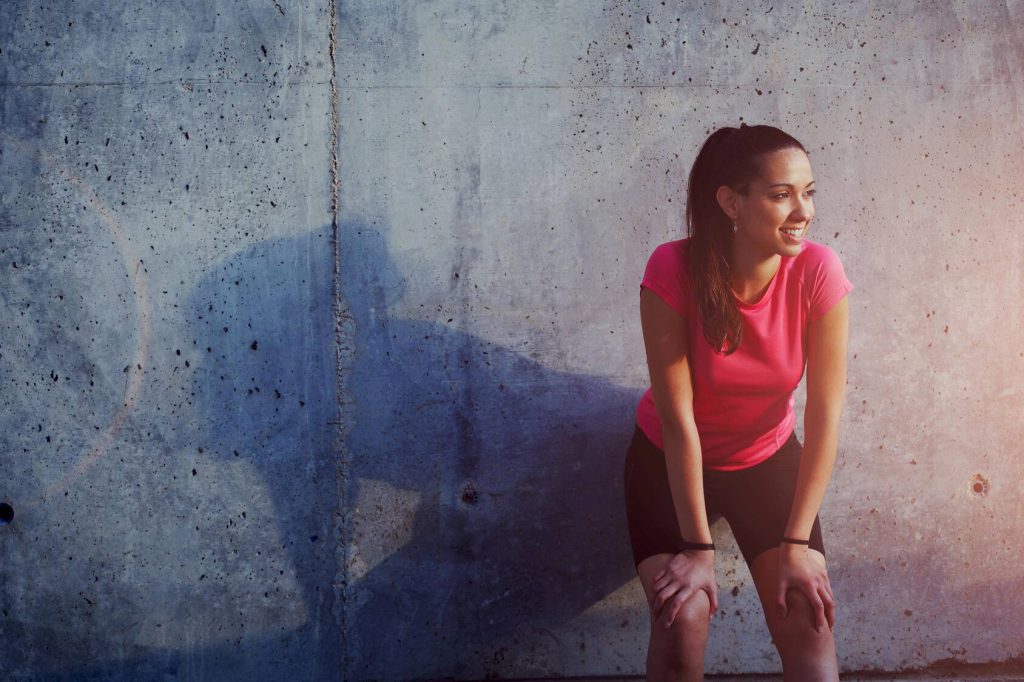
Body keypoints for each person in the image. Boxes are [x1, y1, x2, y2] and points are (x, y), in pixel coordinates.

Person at [623, 123, 853, 681]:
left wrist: (797, 540)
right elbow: (679, 423)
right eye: (781, 195)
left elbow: (824, 418)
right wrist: (698, 547)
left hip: (767, 462)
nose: (803, 210)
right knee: (685, 618)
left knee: (807, 614)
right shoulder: (672, 268)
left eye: (809, 191)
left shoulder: (818, 270)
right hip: (668, 461)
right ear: (730, 201)